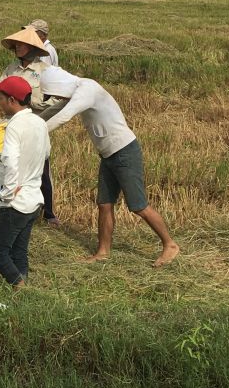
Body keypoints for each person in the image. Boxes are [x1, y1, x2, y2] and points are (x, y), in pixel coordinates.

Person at [40, 66, 180, 267]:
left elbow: (64, 116)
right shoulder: (76, 91)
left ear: (59, 85)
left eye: (54, 93)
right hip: (108, 155)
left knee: (138, 206)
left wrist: (36, 132)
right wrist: (28, 122)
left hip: (125, 152)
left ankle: (170, 244)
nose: (56, 98)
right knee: (104, 204)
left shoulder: (87, 89)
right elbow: (55, 110)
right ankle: (103, 252)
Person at [0, 28, 62, 226]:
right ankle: (11, 202)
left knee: (41, 168)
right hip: (13, 124)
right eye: (16, 45)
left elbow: (57, 100)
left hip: (36, 124)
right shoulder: (11, 69)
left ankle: (48, 212)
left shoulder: (45, 72)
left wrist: (35, 103)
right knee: (11, 163)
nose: (17, 48)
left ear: (32, 48)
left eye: (21, 45)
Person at [0, 76, 50, 288]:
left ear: (12, 100)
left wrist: (7, 195)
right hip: (34, 198)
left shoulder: (14, 127)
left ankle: (20, 289)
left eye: (0, 97)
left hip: (16, 202)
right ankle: (22, 292)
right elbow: (46, 153)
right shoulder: (40, 123)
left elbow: (10, 162)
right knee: (18, 252)